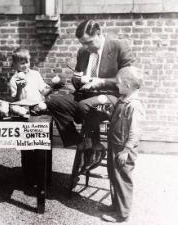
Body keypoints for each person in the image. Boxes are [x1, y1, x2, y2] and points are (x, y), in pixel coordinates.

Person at [46, 19, 135, 158]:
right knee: (54, 103)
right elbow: (77, 82)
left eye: (89, 42)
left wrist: (100, 82)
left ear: (99, 33)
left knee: (84, 106)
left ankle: (93, 143)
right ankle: (78, 141)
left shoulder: (119, 46)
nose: (86, 47)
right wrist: (76, 79)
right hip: (86, 95)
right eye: (82, 43)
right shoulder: (83, 52)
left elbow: (129, 79)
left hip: (110, 96)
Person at [101, 66, 144, 223]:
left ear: (127, 85)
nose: (116, 86)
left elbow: (135, 133)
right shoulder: (122, 100)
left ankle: (122, 214)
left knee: (122, 179)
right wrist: (107, 113)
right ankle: (116, 205)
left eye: (118, 83)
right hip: (115, 145)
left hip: (124, 150)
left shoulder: (134, 105)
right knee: (114, 176)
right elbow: (117, 120)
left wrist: (126, 151)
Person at [9, 47, 52, 186]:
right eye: (22, 63)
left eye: (27, 62)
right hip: (24, 112)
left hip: (39, 110)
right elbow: (18, 99)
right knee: (27, 146)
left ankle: (44, 177)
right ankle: (29, 178)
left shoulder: (36, 74)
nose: (25, 65)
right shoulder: (14, 79)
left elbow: (43, 91)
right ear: (15, 65)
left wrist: (54, 86)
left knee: (42, 145)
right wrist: (20, 87)